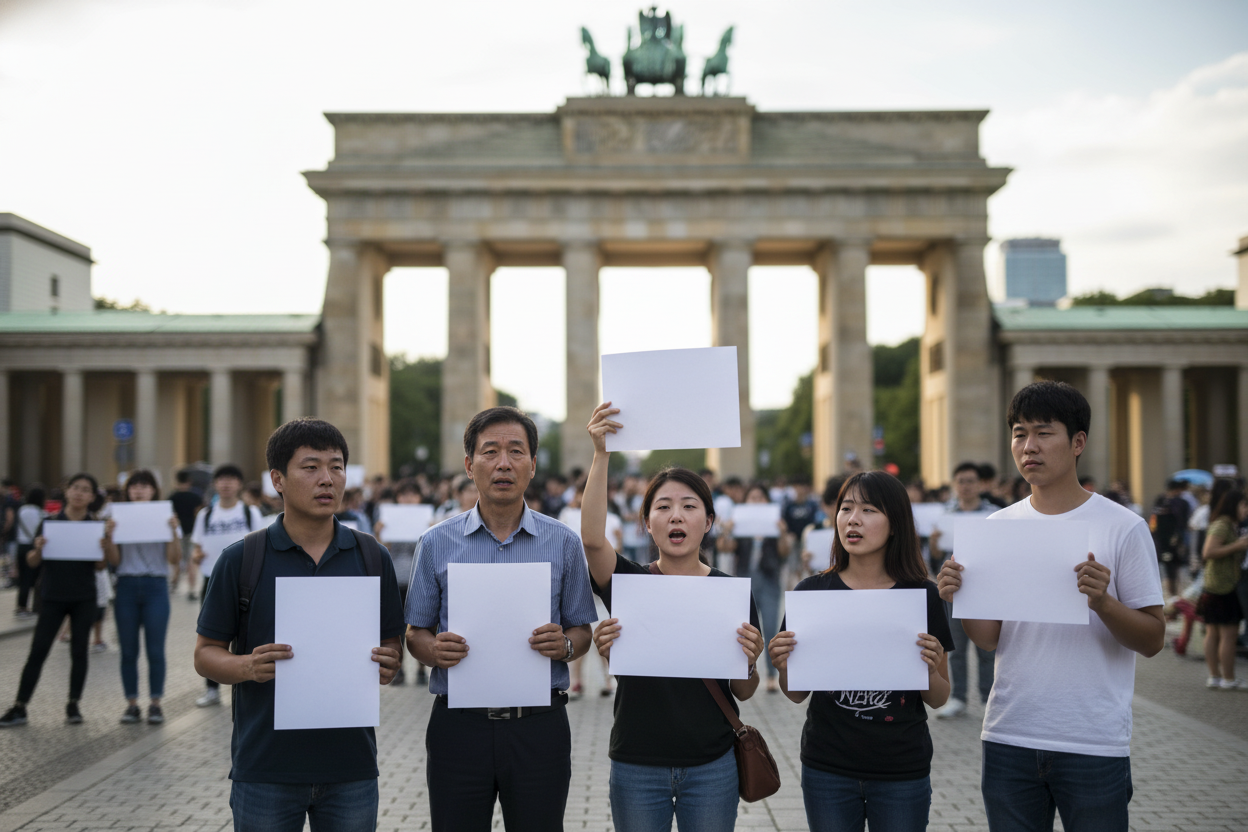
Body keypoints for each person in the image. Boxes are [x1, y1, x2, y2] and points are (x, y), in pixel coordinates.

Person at [939, 380, 1164, 832]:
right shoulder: (997, 526)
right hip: (1008, 732)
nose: (1029, 446)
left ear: (1078, 442)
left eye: (1044, 433)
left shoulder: (1123, 527)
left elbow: (1154, 638)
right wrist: (958, 595)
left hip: (1092, 740)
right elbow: (989, 641)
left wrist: (1103, 603)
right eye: (1020, 433)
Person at [193, 418, 405, 832]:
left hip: (352, 768)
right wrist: (246, 667)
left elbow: (390, 643)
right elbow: (205, 654)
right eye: (310, 467)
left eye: (337, 466)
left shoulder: (370, 556)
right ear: (278, 480)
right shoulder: (242, 560)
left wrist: (389, 662)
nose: (327, 479)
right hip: (265, 768)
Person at [405, 406, 597, 831]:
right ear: (470, 466)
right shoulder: (436, 543)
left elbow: (582, 628)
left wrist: (564, 646)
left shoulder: (563, 542)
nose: (504, 463)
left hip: (539, 727)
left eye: (516, 451)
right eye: (490, 452)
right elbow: (415, 633)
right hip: (459, 726)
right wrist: (434, 650)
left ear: (532, 464)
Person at [583, 403, 764, 832]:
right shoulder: (629, 583)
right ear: (646, 523)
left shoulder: (732, 593)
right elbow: (592, 540)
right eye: (663, 507)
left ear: (709, 521)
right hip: (636, 763)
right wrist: (601, 454)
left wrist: (752, 660)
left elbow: (745, 689)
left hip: (712, 764)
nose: (676, 515)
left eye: (689, 506)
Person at [769, 470, 952, 832]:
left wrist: (930, 669)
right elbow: (795, 694)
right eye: (846, 508)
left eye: (869, 510)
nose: (853, 520)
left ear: (896, 523)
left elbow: (939, 697)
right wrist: (783, 665)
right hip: (827, 767)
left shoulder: (921, 595)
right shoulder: (811, 592)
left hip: (902, 768)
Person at [0, 473, 110, 728]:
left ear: (92, 497)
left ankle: (73, 704)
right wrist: (38, 548)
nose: (80, 493)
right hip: (52, 596)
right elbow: (32, 563)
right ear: (67, 491)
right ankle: (20, 706)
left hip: (84, 596)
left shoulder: (95, 526)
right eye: (76, 488)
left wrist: (103, 547)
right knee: (38, 651)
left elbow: (101, 566)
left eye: (85, 490)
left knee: (79, 651)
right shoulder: (49, 522)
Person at [103, 470, 180, 725]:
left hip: (156, 586)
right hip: (125, 585)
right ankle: (132, 704)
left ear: (153, 490)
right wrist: (110, 537)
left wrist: (173, 532)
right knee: (128, 650)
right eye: (134, 485)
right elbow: (114, 561)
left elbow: (174, 559)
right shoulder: (117, 516)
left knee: (155, 650)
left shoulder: (164, 516)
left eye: (145, 485)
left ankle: (156, 703)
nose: (139, 490)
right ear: (127, 490)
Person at [191, 464, 265, 708]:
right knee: (213, 638)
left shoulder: (249, 512)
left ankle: (242, 684)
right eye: (222, 479)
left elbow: (261, 545)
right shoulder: (206, 514)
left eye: (231, 479)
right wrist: (197, 556)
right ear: (215, 484)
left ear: (239, 484)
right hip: (211, 580)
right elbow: (197, 547)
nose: (226, 484)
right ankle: (211, 690)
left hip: (246, 583)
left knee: (244, 635)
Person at [930, 461, 996, 719]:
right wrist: (934, 544)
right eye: (961, 481)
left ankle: (989, 698)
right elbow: (935, 556)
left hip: (987, 589)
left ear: (980, 484)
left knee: (987, 649)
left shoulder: (995, 514)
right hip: (954, 590)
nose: (966, 486)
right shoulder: (945, 515)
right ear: (955, 485)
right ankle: (958, 698)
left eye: (970, 481)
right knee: (955, 646)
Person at [720, 482, 787, 692]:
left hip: (769, 581)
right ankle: (745, 673)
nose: (757, 502)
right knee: (746, 631)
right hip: (745, 582)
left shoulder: (775, 525)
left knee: (769, 627)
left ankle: (770, 675)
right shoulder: (740, 525)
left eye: (761, 497)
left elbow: (784, 552)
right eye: (752, 498)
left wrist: (782, 533)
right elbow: (724, 547)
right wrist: (728, 531)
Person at [372, 478, 427, 686]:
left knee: (423, 624)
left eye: (413, 495)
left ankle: (422, 669)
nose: (409, 499)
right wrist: (380, 532)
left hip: (419, 578)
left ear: (419, 497)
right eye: (404, 495)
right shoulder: (390, 517)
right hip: (397, 578)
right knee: (399, 626)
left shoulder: (426, 518)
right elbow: (384, 551)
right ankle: (401, 669)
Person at [1198, 489, 1247, 689]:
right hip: (1222, 587)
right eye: (1244, 505)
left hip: (1214, 586)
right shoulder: (1223, 525)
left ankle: (1215, 676)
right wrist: (1238, 545)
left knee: (1213, 633)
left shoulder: (1224, 524)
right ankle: (1228, 678)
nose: (1246, 510)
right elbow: (1208, 551)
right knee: (1228, 634)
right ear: (1233, 506)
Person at [1150, 479, 1191, 598]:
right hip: (1178, 539)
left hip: (1161, 540)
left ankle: (1171, 595)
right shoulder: (1182, 502)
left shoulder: (1160, 501)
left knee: (1168, 568)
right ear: (1179, 489)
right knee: (1178, 567)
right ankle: (1179, 595)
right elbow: (1184, 522)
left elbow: (1153, 522)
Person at [169, 470, 203, 599]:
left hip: (177, 531)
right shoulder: (196, 496)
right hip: (192, 530)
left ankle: (174, 583)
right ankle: (191, 589)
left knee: (177, 559)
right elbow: (199, 512)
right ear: (189, 481)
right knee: (191, 561)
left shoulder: (172, 497)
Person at [13, 486, 45, 618]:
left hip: (20, 545)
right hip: (32, 547)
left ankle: (21, 606)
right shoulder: (39, 512)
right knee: (32, 578)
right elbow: (38, 531)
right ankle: (32, 606)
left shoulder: (21, 509)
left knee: (23, 578)